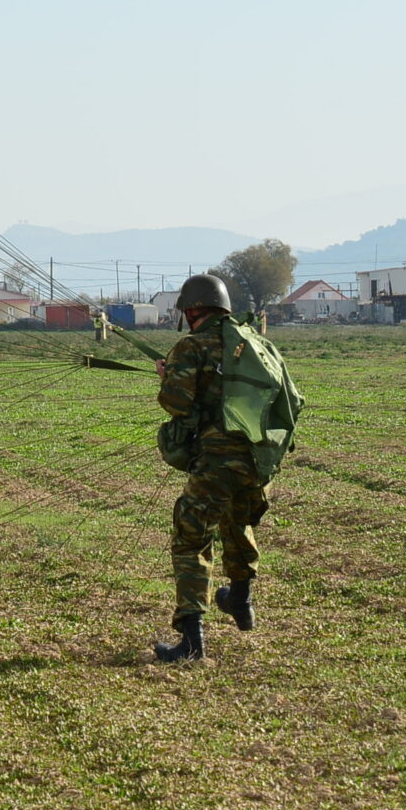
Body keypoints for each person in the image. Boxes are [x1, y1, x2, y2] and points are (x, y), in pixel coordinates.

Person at [151, 272, 271, 663]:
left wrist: (168, 378)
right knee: (238, 525)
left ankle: (191, 642)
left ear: (192, 310)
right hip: (256, 458)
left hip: (216, 460)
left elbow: (178, 404)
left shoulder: (192, 346)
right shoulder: (253, 343)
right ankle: (240, 601)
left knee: (191, 539)